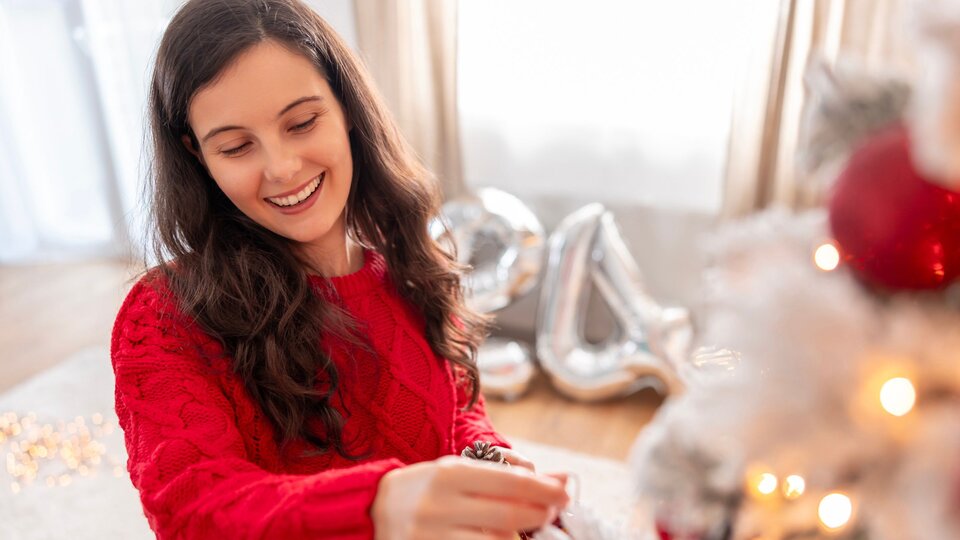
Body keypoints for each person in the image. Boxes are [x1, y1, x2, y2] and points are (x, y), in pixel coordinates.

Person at [110, 0, 569, 538]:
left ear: (346, 107)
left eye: (302, 123)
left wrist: (483, 459)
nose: (281, 168)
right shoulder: (163, 316)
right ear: (197, 156)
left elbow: (458, 411)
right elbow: (193, 509)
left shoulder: (410, 263)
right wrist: (377, 505)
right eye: (236, 147)